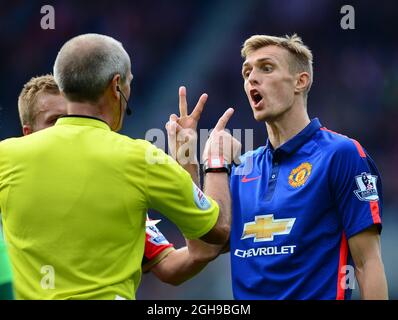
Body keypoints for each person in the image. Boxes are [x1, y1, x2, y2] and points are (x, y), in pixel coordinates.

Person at [0, 33, 234, 299]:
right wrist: (215, 159)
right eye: (129, 83)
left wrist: (185, 159)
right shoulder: (140, 160)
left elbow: (176, 264)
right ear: (116, 86)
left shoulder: (5, 157)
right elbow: (217, 230)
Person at [167, 34, 388, 299]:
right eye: (247, 72)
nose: (252, 78)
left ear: (300, 81)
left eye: (266, 68)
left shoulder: (341, 155)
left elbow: (367, 263)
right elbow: (201, 249)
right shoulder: (241, 168)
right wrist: (187, 160)